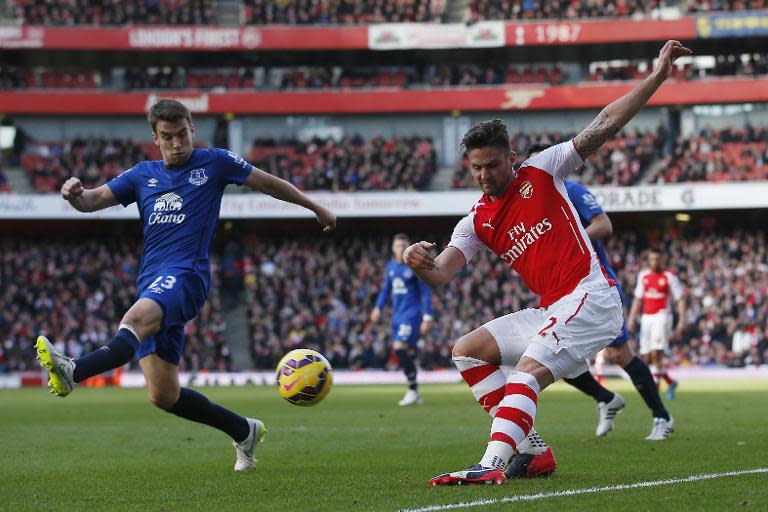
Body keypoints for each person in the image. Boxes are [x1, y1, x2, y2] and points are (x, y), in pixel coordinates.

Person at [403, 40, 691, 485]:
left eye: (492, 165)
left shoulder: (542, 170)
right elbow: (440, 273)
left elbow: (603, 124)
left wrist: (654, 78)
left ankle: (491, 465)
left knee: (528, 371)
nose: (484, 175)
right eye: (476, 168)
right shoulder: (475, 222)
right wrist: (415, 259)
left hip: (592, 297)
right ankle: (532, 451)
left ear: (512, 159)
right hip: (552, 307)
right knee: (466, 352)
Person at [35, 99, 336, 472]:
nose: (177, 143)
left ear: (192, 129)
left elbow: (268, 183)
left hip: (187, 276)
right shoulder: (141, 175)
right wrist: (75, 195)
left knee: (134, 318)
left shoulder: (215, 163)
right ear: (155, 138)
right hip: (153, 282)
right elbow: (94, 200)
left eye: (182, 134)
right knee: (164, 395)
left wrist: (314, 206)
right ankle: (244, 430)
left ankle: (72, 371)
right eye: (167, 137)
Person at [561, 179, 674, 441]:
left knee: (621, 355)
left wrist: (568, 241)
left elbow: (603, 225)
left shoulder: (571, 191)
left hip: (596, 285)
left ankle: (662, 416)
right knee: (557, 356)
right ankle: (605, 397)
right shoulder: (534, 205)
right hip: (562, 289)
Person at [370, 233, 434, 406]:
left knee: (399, 349)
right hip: (396, 316)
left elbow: (425, 292)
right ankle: (414, 391)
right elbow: (385, 290)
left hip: (411, 315)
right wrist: (378, 308)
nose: (400, 249)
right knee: (407, 353)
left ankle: (412, 390)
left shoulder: (414, 266)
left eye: (403, 245)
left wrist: (427, 317)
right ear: (393, 248)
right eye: (397, 245)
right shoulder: (391, 267)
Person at [627, 249, 685, 403]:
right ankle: (671, 382)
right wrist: (631, 319)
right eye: (652, 259)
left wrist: (681, 321)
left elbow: (680, 299)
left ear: (662, 260)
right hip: (646, 317)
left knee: (656, 352)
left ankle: (655, 393)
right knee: (648, 357)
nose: (655, 262)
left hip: (662, 316)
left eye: (657, 259)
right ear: (649, 260)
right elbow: (638, 299)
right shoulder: (643, 276)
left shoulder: (669, 277)